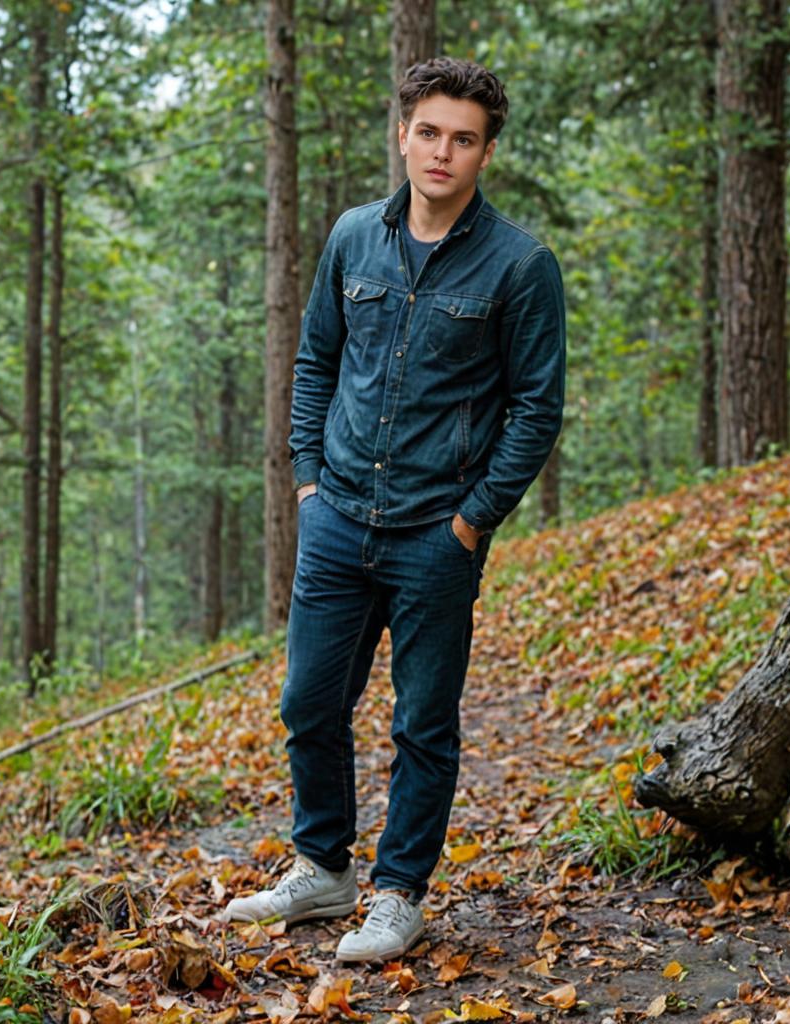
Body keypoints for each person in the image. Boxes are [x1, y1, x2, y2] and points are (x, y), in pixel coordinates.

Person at [220, 56, 565, 963]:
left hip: (434, 533)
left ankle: (398, 892)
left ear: (487, 150)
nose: (441, 152)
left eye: (463, 138)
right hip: (336, 517)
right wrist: (306, 480)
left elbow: (537, 408)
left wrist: (473, 518)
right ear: (402, 133)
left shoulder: (522, 265)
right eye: (428, 132)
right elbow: (315, 363)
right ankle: (322, 867)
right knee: (309, 702)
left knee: (423, 723)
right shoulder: (352, 238)